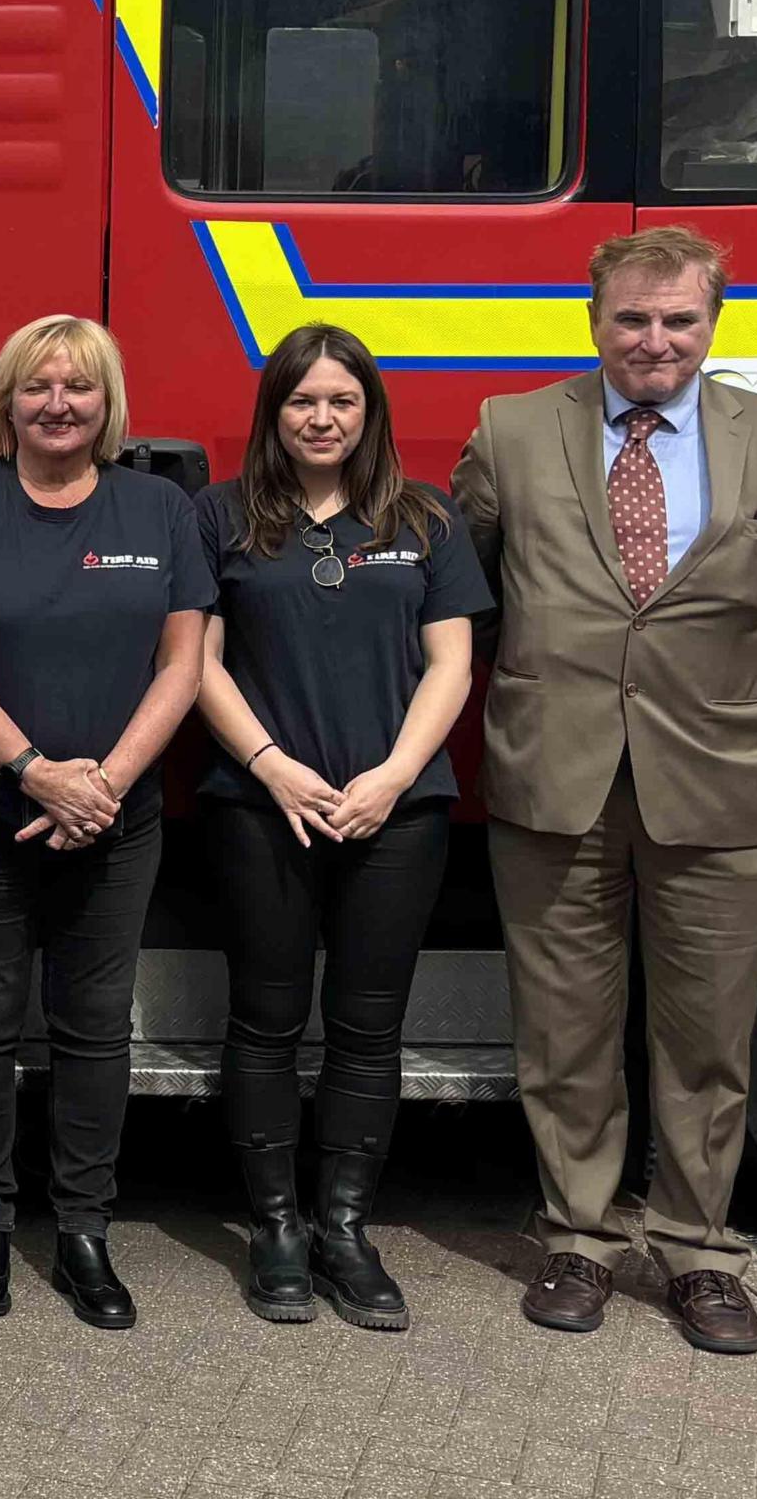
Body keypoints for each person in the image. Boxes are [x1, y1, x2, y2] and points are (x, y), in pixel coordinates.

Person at [455, 227, 757, 1356]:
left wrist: (703, 692)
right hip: (552, 776)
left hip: (715, 780)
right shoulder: (512, 432)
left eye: (679, 320)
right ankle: (576, 1238)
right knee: (564, 1030)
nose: (654, 341)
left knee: (708, 1035)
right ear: (594, 321)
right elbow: (472, 589)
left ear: (715, 324)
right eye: (632, 319)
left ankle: (697, 1250)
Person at [0, 314, 209, 1331]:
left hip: (115, 823)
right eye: (37, 386)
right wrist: (37, 773)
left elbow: (184, 664)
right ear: (7, 399)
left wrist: (105, 786)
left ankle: (85, 1229)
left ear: (106, 401)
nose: (57, 404)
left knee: (93, 1030)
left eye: (78, 387)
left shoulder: (162, 509)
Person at [190, 323, 486, 1331]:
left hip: (396, 815)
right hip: (263, 809)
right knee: (265, 1023)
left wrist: (395, 777)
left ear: (371, 414)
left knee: (368, 1030)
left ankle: (345, 1230)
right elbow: (197, 660)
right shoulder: (220, 517)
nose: (322, 419)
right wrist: (272, 767)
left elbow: (451, 663)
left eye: (342, 402)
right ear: (275, 413)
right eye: (303, 401)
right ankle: (275, 1229)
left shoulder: (427, 518)